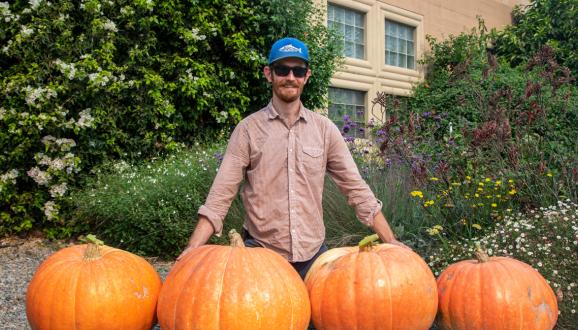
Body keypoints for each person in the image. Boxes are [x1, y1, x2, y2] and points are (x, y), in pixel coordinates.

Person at [178, 37, 406, 278]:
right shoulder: (248, 130)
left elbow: (356, 189)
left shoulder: (325, 130)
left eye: (297, 71)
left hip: (313, 256)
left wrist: (390, 240)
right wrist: (193, 248)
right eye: (282, 69)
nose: (290, 77)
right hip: (261, 254)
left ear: (306, 76)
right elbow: (220, 195)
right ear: (269, 74)